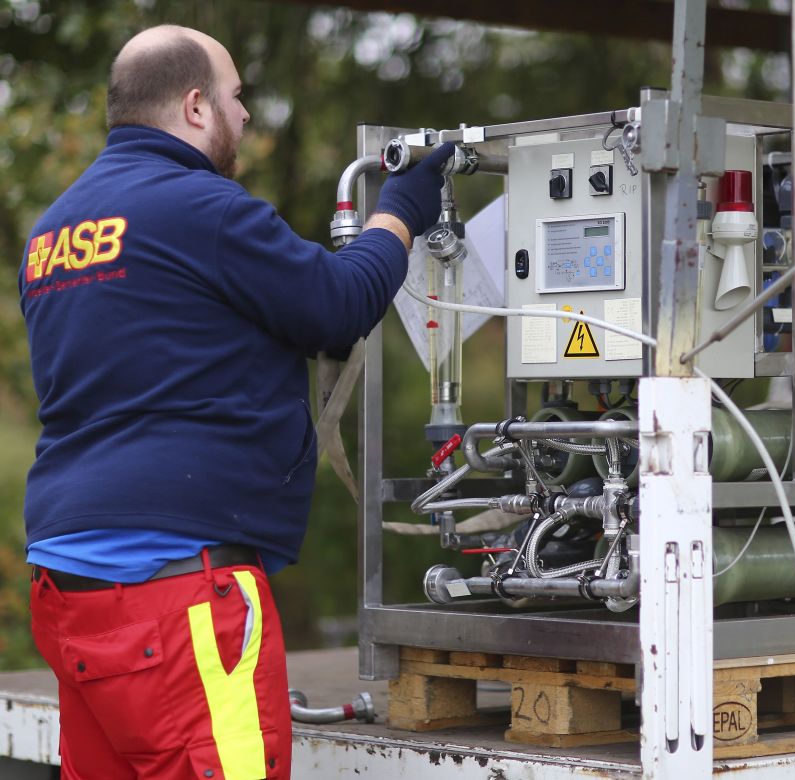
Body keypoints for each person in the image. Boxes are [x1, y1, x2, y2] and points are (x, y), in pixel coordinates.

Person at [18, 24, 453, 780]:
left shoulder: (54, 233)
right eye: (236, 96)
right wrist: (400, 213)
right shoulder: (202, 209)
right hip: (179, 594)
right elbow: (338, 304)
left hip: (69, 589)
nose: (246, 115)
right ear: (194, 106)